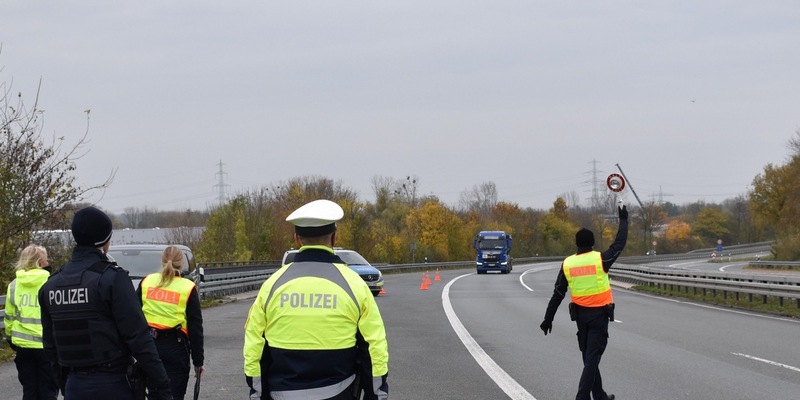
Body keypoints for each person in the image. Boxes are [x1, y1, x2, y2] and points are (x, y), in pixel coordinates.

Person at [243, 199, 389, 400]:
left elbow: (254, 346)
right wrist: (376, 395)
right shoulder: (355, 285)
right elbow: (374, 347)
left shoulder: (272, 286)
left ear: (296, 239)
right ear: (334, 238)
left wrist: (257, 394)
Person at [38, 206, 172, 400]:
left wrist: (65, 385)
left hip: (74, 384)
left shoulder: (51, 286)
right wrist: (163, 386)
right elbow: (139, 338)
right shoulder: (111, 279)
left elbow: (50, 348)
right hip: (113, 384)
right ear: (105, 241)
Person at [539, 205, 628, 400]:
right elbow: (619, 244)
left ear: (576, 243)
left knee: (589, 357)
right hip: (599, 316)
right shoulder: (601, 259)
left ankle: (599, 395)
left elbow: (557, 294)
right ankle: (581, 397)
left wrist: (548, 319)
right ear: (593, 243)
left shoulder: (568, 264)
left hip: (580, 317)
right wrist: (623, 219)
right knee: (591, 359)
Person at [137, 245, 205, 400]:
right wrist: (198, 362)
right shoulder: (187, 287)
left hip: (150, 347)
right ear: (181, 264)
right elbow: (195, 329)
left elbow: (133, 317)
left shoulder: (147, 282)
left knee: (154, 395)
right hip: (176, 348)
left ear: (162, 261)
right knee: (174, 395)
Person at [4, 244, 59, 400]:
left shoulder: (15, 284)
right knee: (48, 390)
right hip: (46, 346)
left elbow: (9, 316)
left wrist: (11, 339)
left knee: (29, 390)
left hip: (23, 346)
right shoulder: (51, 281)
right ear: (41, 262)